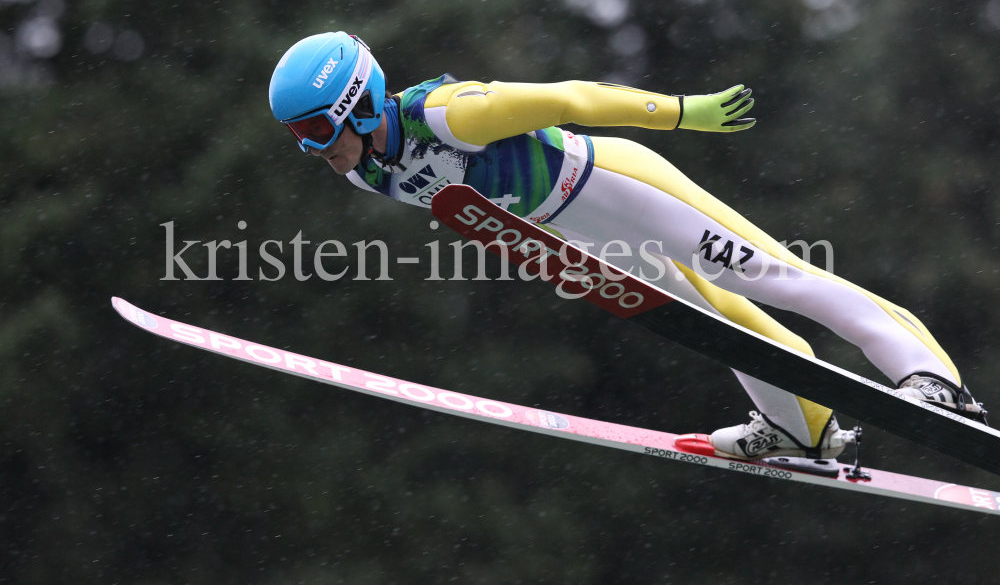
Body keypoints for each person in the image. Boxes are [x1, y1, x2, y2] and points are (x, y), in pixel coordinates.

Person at [268, 31, 988, 460]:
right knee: (716, 327)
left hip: (617, 186)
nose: (313, 151)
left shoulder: (448, 115)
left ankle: (931, 377)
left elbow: (569, 98)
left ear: (356, 105)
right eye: (299, 139)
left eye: (317, 131)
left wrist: (681, 114)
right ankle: (801, 428)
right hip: (583, 232)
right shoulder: (365, 171)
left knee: (774, 277)